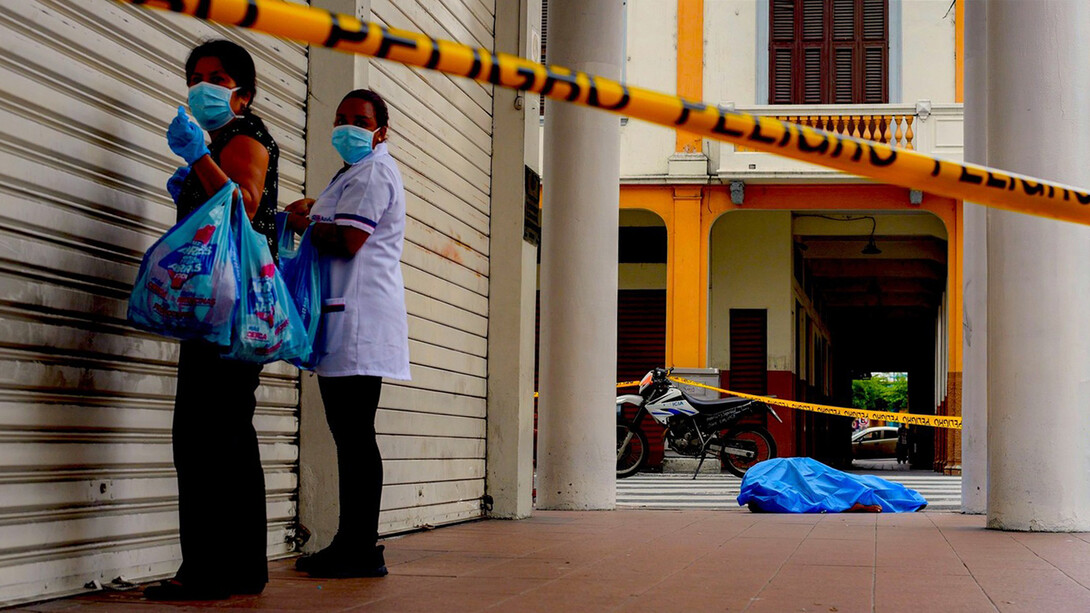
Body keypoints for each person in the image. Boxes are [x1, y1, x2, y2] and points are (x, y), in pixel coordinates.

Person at [144, 39, 280, 601]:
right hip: (228, 304)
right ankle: (242, 567)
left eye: (218, 77)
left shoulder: (242, 136)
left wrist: (198, 158)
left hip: (226, 306)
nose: (203, 85)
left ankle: (206, 570)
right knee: (226, 433)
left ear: (242, 95)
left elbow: (245, 202)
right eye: (195, 76)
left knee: (202, 437)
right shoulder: (224, 138)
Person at [285, 89, 411, 578]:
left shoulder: (376, 170)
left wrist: (305, 221)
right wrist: (319, 208)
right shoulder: (359, 172)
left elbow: (350, 239)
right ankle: (355, 543)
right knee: (352, 436)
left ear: (381, 129)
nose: (347, 127)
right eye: (340, 118)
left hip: (358, 321)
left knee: (354, 437)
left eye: (360, 119)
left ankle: (358, 547)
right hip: (351, 318)